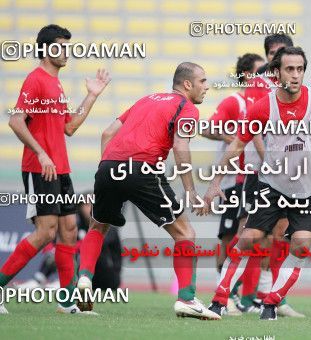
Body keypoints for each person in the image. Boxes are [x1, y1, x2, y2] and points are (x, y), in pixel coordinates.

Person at [203, 46, 311, 320]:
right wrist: (215, 183)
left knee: (301, 247)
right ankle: (219, 300)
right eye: (289, 69)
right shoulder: (263, 106)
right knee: (248, 240)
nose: (295, 75)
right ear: (276, 72)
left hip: (310, 190)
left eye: (300, 69)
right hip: (272, 187)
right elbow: (237, 144)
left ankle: (271, 302)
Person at [76, 62, 221, 320]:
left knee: (97, 226)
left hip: (108, 166)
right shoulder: (185, 108)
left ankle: (85, 280)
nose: (207, 86)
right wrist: (190, 190)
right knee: (185, 233)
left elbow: (107, 132)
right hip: (142, 168)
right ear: (187, 84)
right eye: (203, 81)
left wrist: (108, 174)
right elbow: (180, 145)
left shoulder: (146, 100)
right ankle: (186, 299)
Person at [0, 24, 110, 315]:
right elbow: (15, 121)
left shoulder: (56, 84)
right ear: (47, 48)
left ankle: (67, 301)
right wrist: (41, 153)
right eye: (61, 46)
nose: (66, 52)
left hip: (61, 169)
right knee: (46, 232)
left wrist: (92, 95)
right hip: (41, 168)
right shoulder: (35, 80)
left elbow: (69, 127)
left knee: (69, 231)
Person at [202, 53, 265, 315]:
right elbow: (206, 128)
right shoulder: (235, 102)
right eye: (262, 71)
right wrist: (236, 138)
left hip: (255, 177)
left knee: (250, 235)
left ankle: (236, 294)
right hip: (232, 178)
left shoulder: (266, 102)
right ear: (248, 74)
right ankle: (223, 293)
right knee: (230, 236)